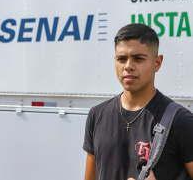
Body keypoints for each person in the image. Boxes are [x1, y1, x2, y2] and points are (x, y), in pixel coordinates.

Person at [83, 23, 193, 180]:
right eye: (121, 59)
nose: (128, 66)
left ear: (157, 63)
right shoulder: (97, 115)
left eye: (138, 59)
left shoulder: (181, 121)